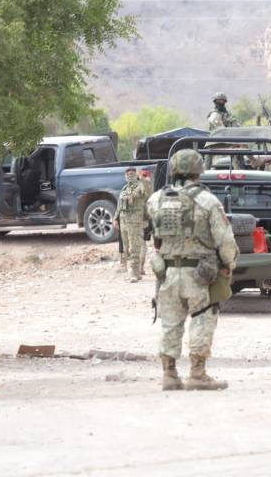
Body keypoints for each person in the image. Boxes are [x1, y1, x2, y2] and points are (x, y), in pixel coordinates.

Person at [147, 149, 239, 391]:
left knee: (170, 322)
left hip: (166, 272)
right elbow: (225, 241)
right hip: (199, 274)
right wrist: (229, 263)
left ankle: (169, 374)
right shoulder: (208, 201)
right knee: (202, 318)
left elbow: (155, 236)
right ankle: (197, 374)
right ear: (199, 171)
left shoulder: (156, 199)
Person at [114, 167, 151, 283]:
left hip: (135, 222)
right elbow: (120, 204)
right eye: (127, 174)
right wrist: (116, 218)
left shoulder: (141, 186)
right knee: (126, 248)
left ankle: (134, 273)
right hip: (124, 221)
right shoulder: (125, 188)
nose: (129, 176)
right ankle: (136, 273)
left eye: (131, 174)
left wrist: (143, 179)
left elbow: (148, 191)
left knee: (134, 247)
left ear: (136, 175)